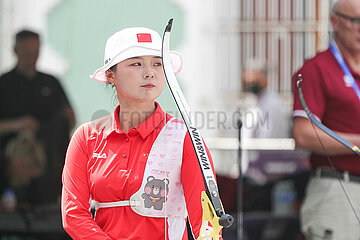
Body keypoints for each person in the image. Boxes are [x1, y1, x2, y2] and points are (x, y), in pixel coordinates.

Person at [61, 27, 221, 240]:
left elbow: (207, 224)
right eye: (136, 63)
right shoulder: (86, 137)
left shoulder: (184, 138)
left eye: (157, 63)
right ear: (111, 74)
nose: (150, 72)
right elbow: (73, 214)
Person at [292, 0, 360, 239]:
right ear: (335, 21)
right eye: (356, 21)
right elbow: (303, 134)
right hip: (339, 188)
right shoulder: (316, 68)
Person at [0, 30, 75, 208]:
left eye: (35, 52)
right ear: (16, 50)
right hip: (9, 171)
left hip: (47, 172)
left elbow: (69, 118)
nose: (31, 57)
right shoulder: (4, 84)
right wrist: (17, 125)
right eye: (27, 51)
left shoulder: (51, 83)